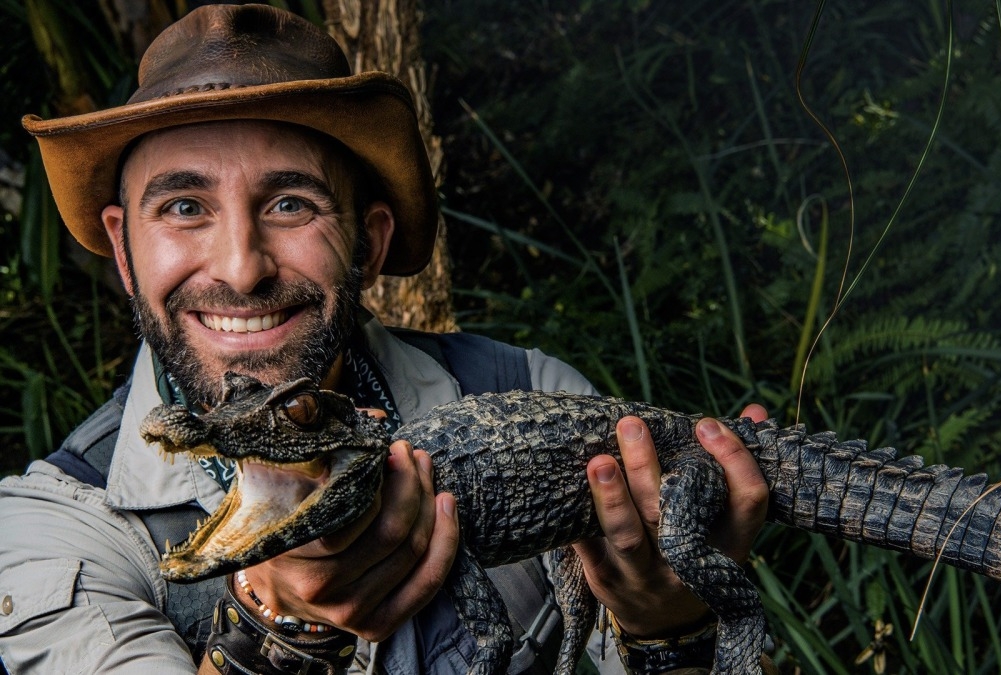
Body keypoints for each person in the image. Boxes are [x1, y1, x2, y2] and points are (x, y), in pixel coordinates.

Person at [0, 5, 770, 674]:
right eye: (183, 208)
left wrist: (671, 627)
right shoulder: (54, 526)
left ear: (368, 241)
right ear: (124, 250)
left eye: (292, 203)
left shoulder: (539, 396)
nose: (241, 267)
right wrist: (278, 627)